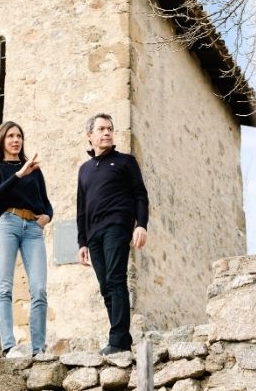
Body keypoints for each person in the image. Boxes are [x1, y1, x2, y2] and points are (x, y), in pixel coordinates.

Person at [77, 113, 149, 355]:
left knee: (116, 279)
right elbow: (81, 209)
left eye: (110, 128)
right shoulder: (84, 170)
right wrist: (82, 242)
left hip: (117, 226)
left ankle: (117, 340)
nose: (107, 133)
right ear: (90, 135)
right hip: (93, 234)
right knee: (106, 286)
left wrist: (141, 224)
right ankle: (122, 341)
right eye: (101, 129)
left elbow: (140, 195)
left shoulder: (125, 162)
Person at [0, 120, 53, 357]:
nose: (16, 140)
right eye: (11, 136)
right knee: (4, 287)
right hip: (7, 224)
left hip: (33, 228)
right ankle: (9, 346)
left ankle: (38, 349)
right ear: (1, 140)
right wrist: (19, 174)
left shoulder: (35, 171)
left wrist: (48, 216)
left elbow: (46, 203)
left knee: (39, 289)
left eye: (19, 136)